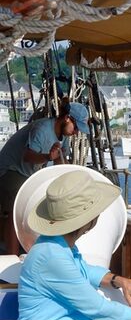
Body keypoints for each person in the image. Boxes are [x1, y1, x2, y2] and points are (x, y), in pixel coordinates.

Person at [17, 170, 131, 320]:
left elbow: (83, 270)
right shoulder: (51, 256)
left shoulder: (55, 245)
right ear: (86, 220)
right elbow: (98, 308)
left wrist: (117, 280)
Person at [0, 102, 90, 254]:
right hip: (10, 170)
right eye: (76, 128)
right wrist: (48, 156)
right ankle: (12, 256)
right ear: (67, 118)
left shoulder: (64, 135)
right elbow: (28, 156)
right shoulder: (41, 129)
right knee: (16, 207)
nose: (75, 133)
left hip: (28, 173)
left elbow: (59, 161)